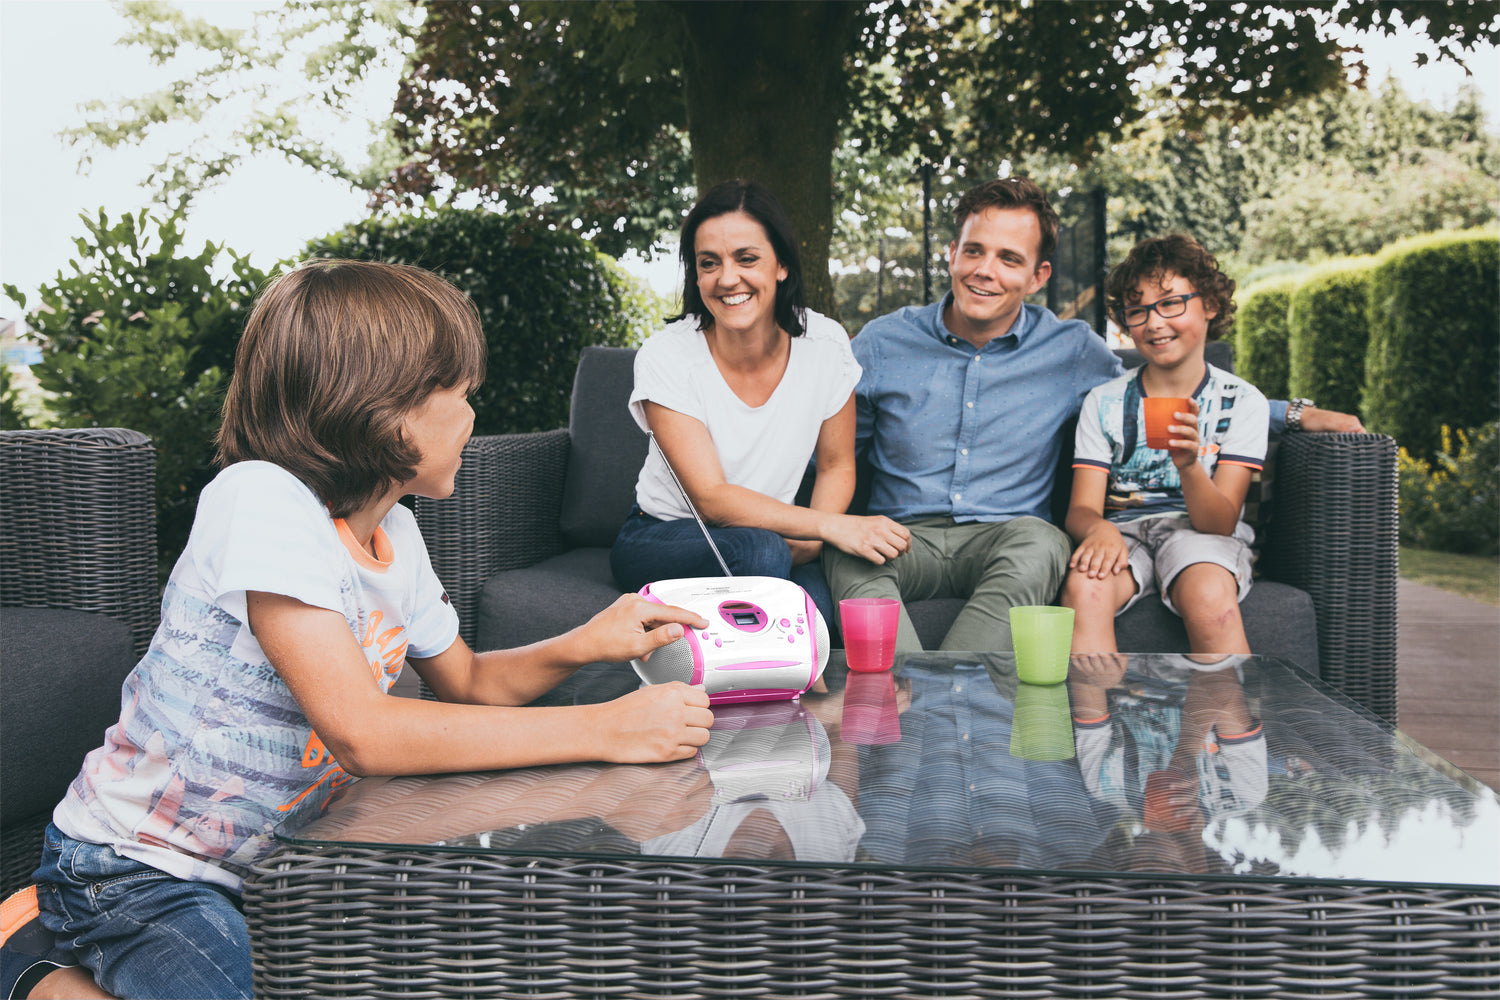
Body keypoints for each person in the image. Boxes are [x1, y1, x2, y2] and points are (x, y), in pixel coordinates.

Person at [2, 260, 715, 1000]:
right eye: (461, 393)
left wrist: (587, 640)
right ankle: (32, 974)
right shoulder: (261, 499)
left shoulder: (398, 533)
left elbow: (470, 682)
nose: (473, 415)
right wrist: (606, 728)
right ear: (385, 408)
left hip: (271, 868)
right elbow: (363, 734)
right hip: (136, 868)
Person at [823, 177, 1363, 653]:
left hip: (1008, 538)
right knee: (845, 551)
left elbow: (1158, 388)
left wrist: (1293, 413)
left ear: (1038, 276)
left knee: (1043, 544)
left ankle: (932, 695)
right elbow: (829, 439)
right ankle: (929, 693)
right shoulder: (883, 343)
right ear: (951, 254)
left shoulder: (1072, 351)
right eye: (974, 251)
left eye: (1009, 259)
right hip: (899, 535)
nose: (985, 271)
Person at [609, 179, 910, 632]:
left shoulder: (826, 345)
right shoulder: (667, 355)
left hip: (778, 537)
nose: (727, 278)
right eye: (709, 263)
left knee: (820, 614)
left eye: (746, 258)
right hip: (664, 535)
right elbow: (711, 500)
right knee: (761, 552)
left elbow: (836, 466)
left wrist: (812, 541)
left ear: (782, 265)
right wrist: (828, 526)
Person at [1061, 233, 1264, 655]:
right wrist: (1098, 528)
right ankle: (1095, 701)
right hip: (1124, 534)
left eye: (1171, 303)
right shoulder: (1104, 402)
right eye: (1138, 311)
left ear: (1210, 304)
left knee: (1210, 596)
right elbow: (1081, 508)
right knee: (1085, 589)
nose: (1154, 323)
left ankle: (1229, 702)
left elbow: (1219, 523)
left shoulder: (1242, 402)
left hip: (1201, 535)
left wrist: (1189, 465)